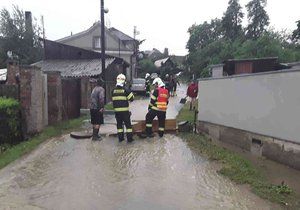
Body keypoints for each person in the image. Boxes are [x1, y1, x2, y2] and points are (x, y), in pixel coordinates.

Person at [112, 74, 134, 142]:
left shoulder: (113, 90)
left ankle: (120, 139)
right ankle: (129, 139)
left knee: (119, 126)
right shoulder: (126, 90)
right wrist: (129, 90)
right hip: (125, 112)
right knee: (128, 126)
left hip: (117, 112)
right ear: (124, 81)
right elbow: (132, 99)